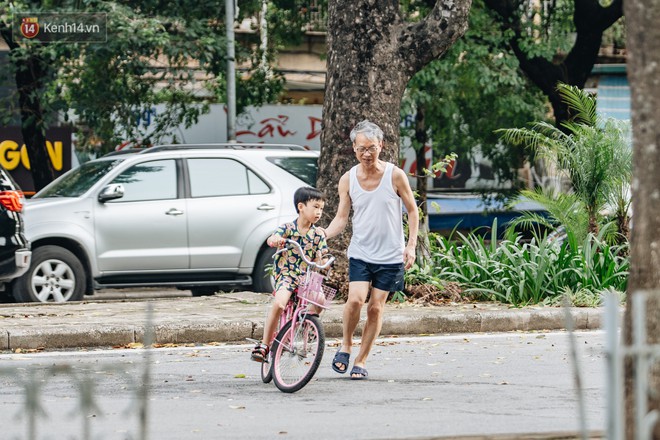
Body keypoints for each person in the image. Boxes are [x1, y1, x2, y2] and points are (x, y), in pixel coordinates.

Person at [320, 119, 419, 380]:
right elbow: (341, 218)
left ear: (381, 146)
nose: (366, 154)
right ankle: (346, 345)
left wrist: (411, 246)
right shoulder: (348, 179)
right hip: (361, 252)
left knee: (375, 307)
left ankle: (361, 360)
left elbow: (412, 210)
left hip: (390, 254)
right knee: (354, 299)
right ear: (354, 148)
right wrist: (324, 234)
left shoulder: (395, 175)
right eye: (361, 148)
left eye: (371, 148)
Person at [250, 186, 329, 362]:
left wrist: (323, 262)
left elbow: (322, 257)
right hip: (286, 274)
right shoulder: (287, 228)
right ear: (301, 207)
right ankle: (264, 344)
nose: (319, 212)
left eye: (321, 208)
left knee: (320, 300)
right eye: (315, 207)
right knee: (279, 304)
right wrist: (275, 240)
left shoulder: (318, 235)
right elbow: (272, 238)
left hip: (306, 277)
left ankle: (306, 326)